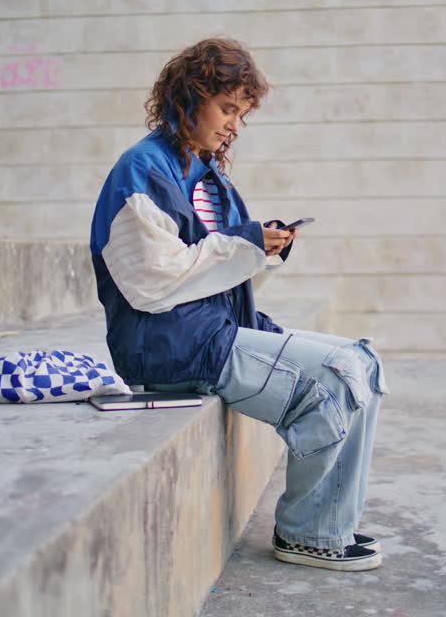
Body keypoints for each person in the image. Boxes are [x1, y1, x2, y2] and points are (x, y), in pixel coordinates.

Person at [89, 37, 387, 571]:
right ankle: (310, 535)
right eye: (227, 108)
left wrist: (263, 247)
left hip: (215, 329)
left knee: (363, 361)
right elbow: (152, 282)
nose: (234, 125)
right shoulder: (142, 171)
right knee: (336, 376)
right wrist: (246, 243)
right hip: (170, 347)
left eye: (241, 114)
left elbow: (216, 265)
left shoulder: (208, 175)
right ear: (188, 97)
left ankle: (328, 523)